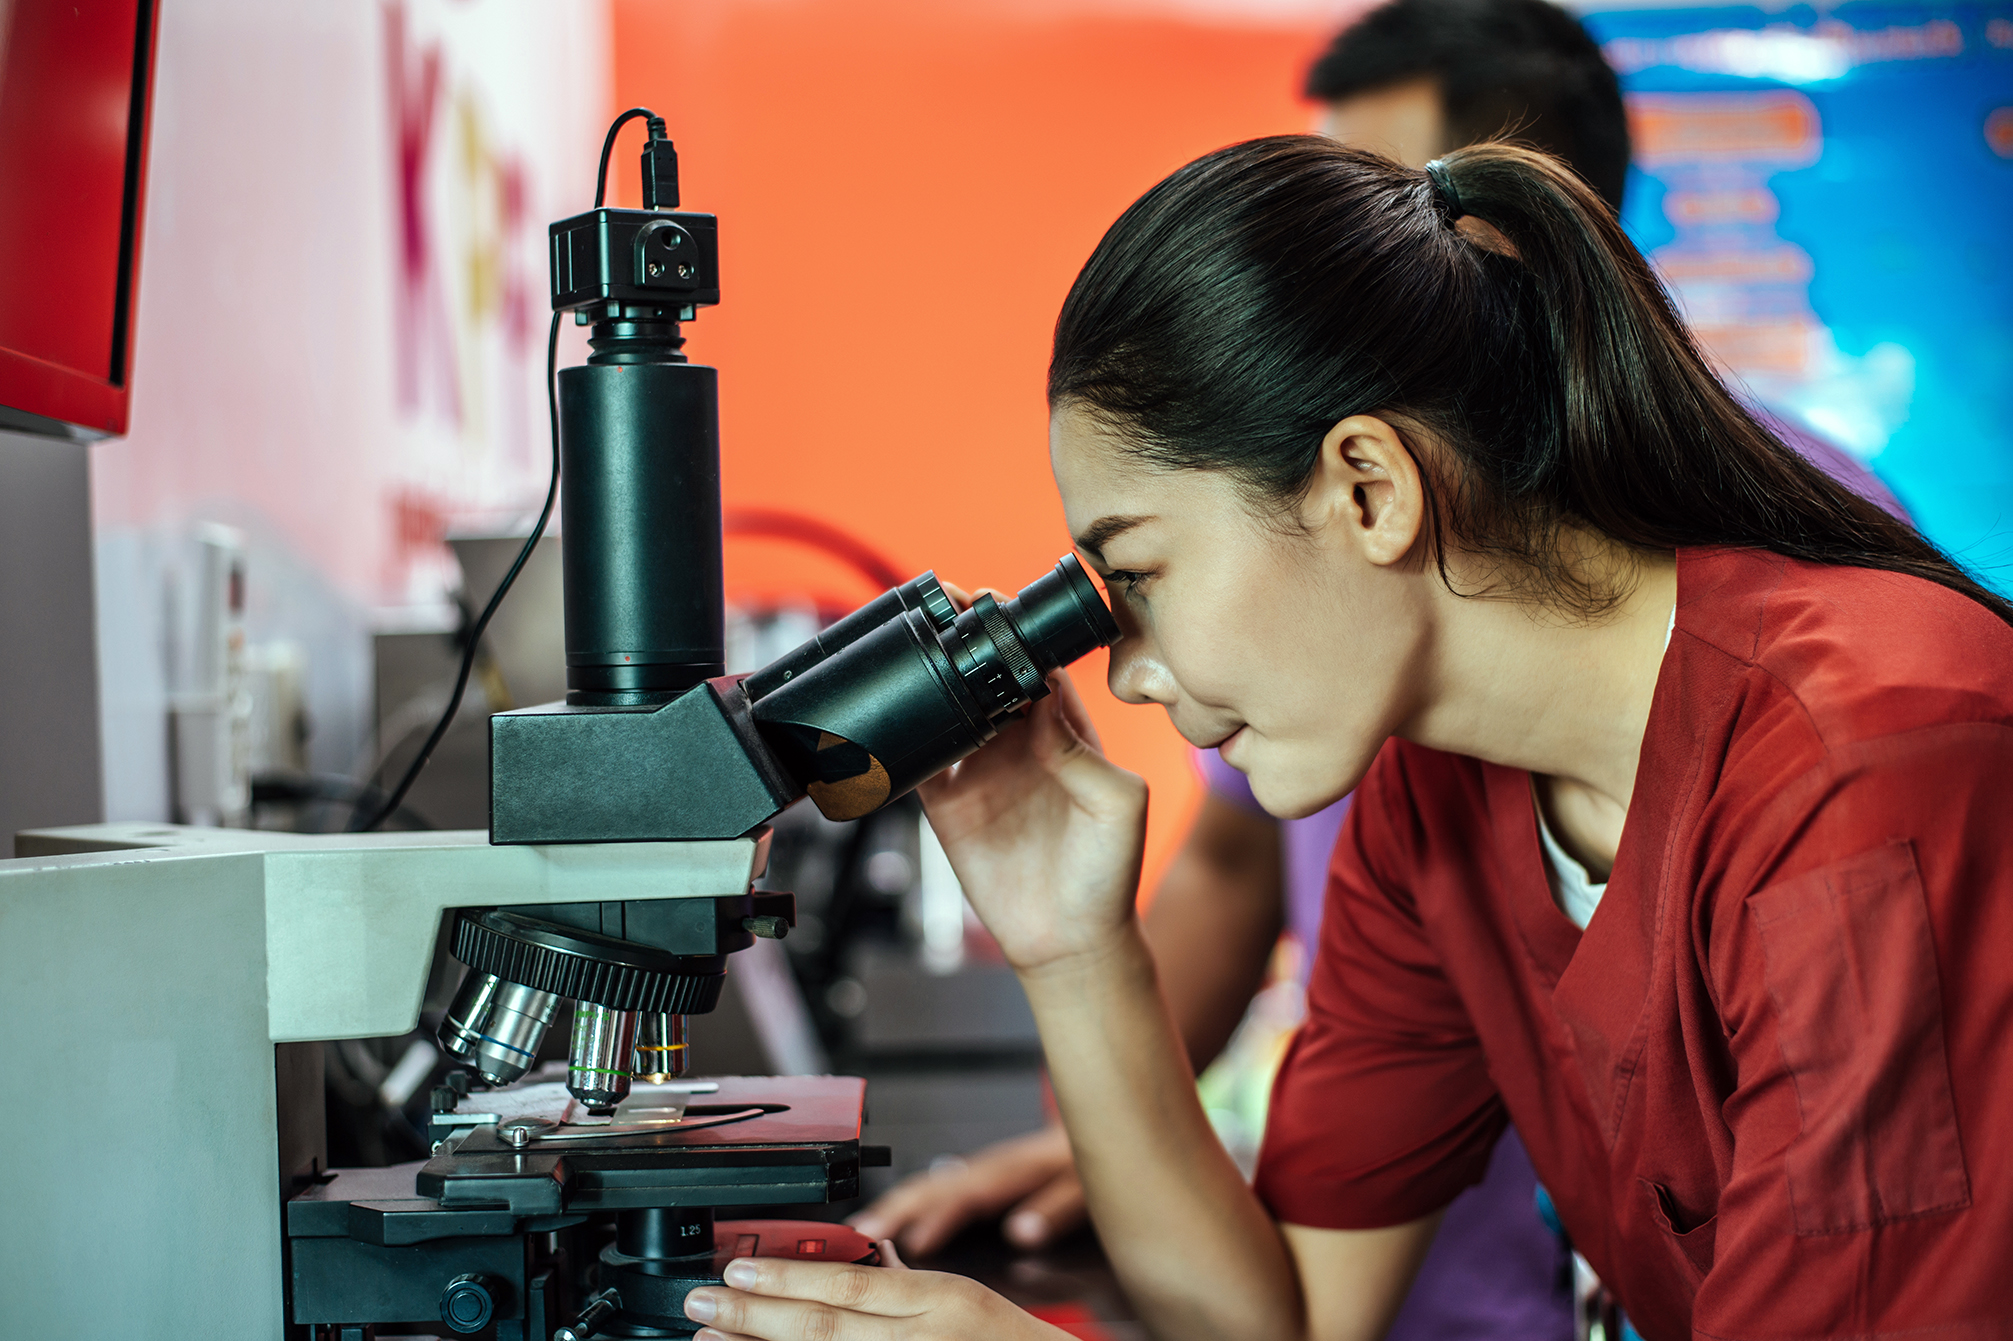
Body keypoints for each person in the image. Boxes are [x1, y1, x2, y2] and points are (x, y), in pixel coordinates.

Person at [678, 133, 2013, 1341]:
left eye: (1136, 575)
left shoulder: (1871, 766)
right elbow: (1288, 1320)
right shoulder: (1430, 800)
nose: (1129, 674)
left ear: (1367, 488)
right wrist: (1073, 946)